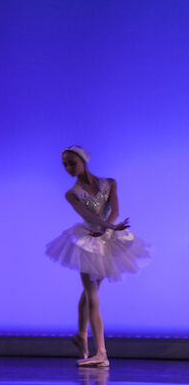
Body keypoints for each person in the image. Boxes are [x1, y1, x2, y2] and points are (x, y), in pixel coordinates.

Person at [45, 146, 149, 367]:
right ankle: (100, 351)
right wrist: (106, 227)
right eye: (64, 164)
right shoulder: (72, 194)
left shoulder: (109, 183)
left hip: (106, 237)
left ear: (83, 160)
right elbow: (87, 215)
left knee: (91, 292)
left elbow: (114, 210)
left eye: (71, 163)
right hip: (87, 239)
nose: (68, 168)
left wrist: (108, 228)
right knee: (91, 292)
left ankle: (85, 337)